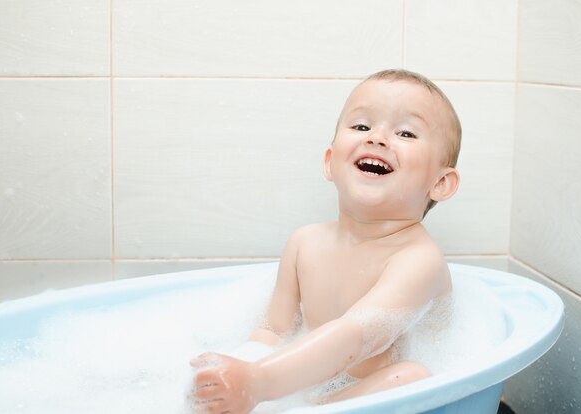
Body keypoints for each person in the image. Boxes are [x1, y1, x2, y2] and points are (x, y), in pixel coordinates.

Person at [190, 69, 462, 414]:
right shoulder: (305, 243)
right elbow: (273, 330)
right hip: (300, 388)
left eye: (406, 132)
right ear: (330, 161)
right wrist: (240, 368)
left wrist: (258, 381)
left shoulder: (418, 260)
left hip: (362, 396)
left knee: (411, 377)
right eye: (362, 126)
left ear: (440, 183)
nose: (377, 138)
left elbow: (358, 335)